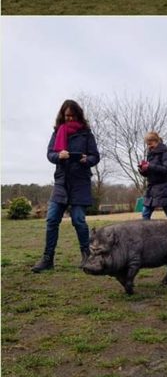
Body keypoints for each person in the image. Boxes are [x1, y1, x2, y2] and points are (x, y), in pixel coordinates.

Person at [32, 100, 100, 272]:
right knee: (52, 219)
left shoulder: (86, 134)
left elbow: (95, 156)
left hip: (80, 182)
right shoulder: (57, 132)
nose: (69, 118)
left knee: (78, 220)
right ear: (62, 115)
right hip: (61, 182)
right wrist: (58, 156)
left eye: (72, 115)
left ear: (78, 115)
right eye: (66, 115)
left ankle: (87, 257)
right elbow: (50, 154)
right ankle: (48, 259)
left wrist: (87, 160)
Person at [139, 131, 167, 228]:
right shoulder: (150, 154)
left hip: (163, 187)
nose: (149, 146)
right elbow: (150, 172)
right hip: (152, 187)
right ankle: (145, 234)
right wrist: (143, 170)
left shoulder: (165, 153)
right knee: (145, 213)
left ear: (156, 141)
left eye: (150, 144)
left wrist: (150, 166)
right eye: (147, 144)